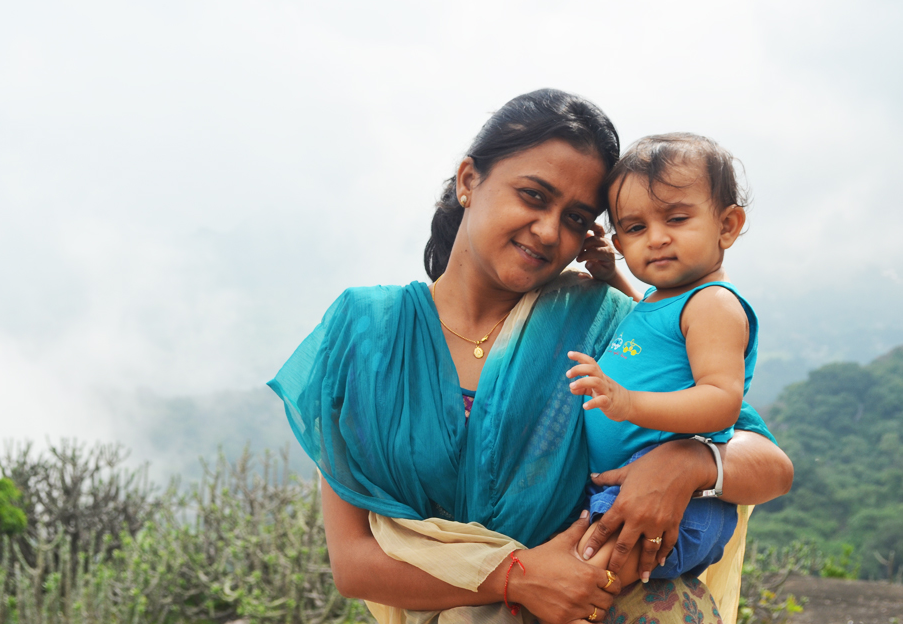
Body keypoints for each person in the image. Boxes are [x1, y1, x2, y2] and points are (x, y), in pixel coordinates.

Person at [268, 90, 793, 624]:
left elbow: (770, 466)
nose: (548, 231)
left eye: (575, 218)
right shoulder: (369, 334)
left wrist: (689, 462)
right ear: (468, 180)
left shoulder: (604, 321)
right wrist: (518, 577)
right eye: (534, 196)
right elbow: (354, 563)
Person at [567, 133, 758, 586]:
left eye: (676, 218)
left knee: (580, 584)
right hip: (626, 486)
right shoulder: (664, 298)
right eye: (635, 229)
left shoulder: (712, 304)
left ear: (727, 225)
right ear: (619, 241)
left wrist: (628, 402)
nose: (656, 239)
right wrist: (612, 275)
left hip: (679, 500)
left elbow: (721, 401)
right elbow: (655, 334)